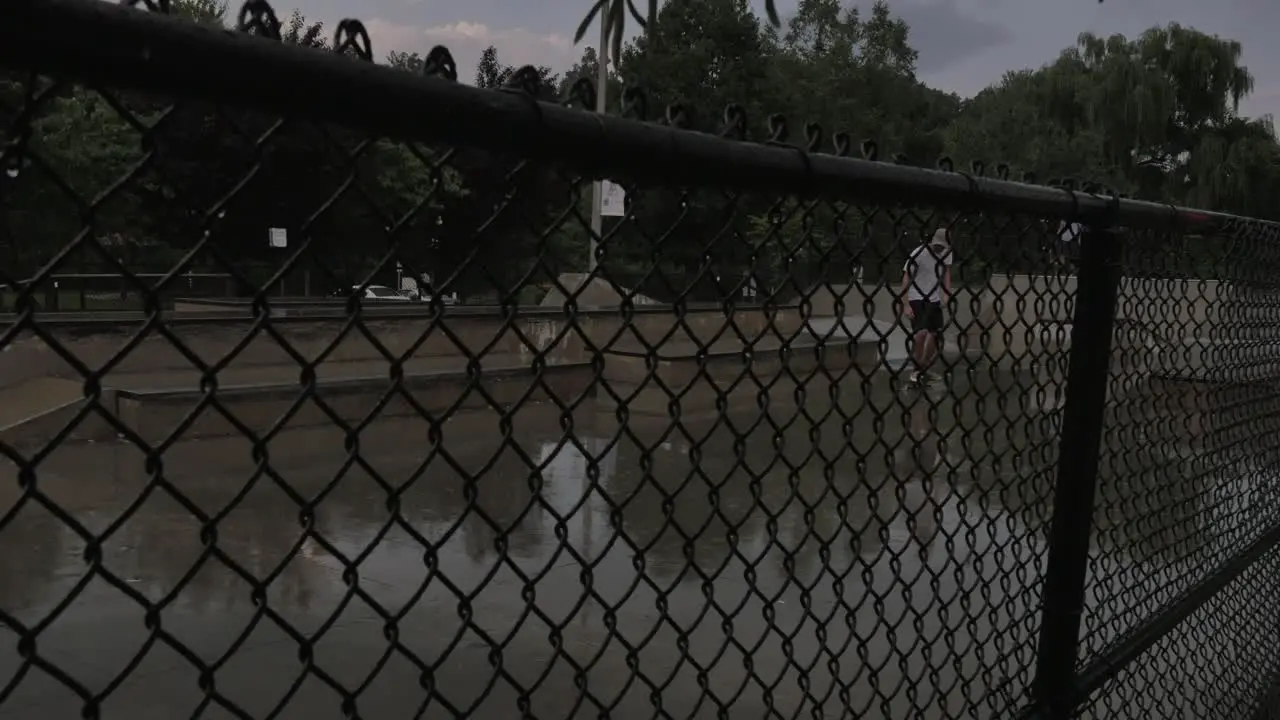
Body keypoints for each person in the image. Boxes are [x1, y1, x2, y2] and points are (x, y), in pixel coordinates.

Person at [900, 229, 953, 386]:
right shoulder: (919, 253)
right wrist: (905, 304)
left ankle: (925, 366)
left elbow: (947, 273)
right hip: (916, 296)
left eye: (942, 247)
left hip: (934, 298)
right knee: (921, 333)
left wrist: (947, 294)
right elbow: (906, 276)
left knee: (935, 334)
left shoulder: (947, 252)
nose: (939, 250)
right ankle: (916, 369)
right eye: (937, 246)